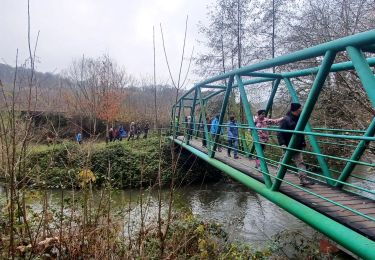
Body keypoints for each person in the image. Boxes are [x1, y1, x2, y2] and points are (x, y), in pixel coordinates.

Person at [277, 103, 314, 186]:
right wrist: (282, 143)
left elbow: (300, 132)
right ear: (295, 109)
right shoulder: (286, 119)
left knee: (300, 162)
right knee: (284, 162)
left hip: (297, 145)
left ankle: (303, 180)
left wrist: (303, 142)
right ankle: (277, 177)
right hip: (288, 145)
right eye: (299, 108)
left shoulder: (300, 118)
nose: (301, 110)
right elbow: (279, 132)